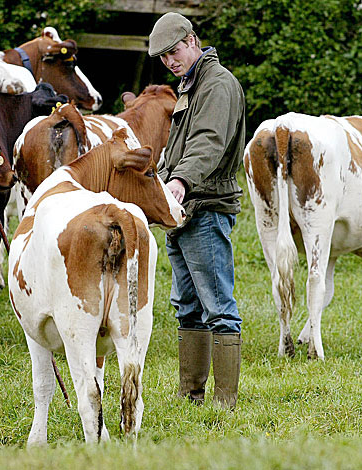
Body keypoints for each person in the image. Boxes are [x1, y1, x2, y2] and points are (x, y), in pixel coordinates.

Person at [148, 12, 246, 409]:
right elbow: (177, 149)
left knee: (218, 306)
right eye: (164, 58)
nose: (170, 62)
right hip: (182, 209)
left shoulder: (218, 84)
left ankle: (224, 402)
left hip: (204, 206)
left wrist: (179, 182)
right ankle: (192, 394)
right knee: (186, 305)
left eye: (174, 52)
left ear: (192, 41)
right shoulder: (190, 84)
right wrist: (159, 181)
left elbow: (208, 142)